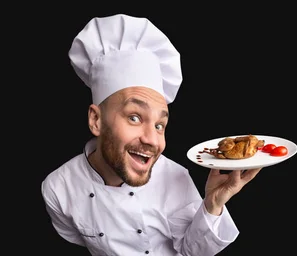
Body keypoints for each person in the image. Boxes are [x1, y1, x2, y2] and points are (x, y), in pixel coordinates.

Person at [40, 14, 261, 256]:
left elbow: (192, 252)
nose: (152, 140)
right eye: (134, 117)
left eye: (159, 125)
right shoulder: (58, 188)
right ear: (96, 120)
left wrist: (212, 204)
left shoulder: (174, 177)